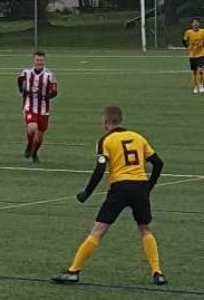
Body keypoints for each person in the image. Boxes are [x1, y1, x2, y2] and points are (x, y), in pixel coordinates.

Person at [52, 106, 166, 286]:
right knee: (145, 229)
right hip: (140, 187)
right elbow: (158, 164)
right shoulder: (138, 137)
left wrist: (87, 193)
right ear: (120, 119)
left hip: (120, 188)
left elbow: (100, 169)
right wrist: (148, 186)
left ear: (105, 121)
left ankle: (73, 271)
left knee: (98, 230)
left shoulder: (105, 140)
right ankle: (157, 272)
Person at [18, 51, 57, 163]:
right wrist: (22, 90)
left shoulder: (49, 75)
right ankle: (30, 145)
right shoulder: (26, 72)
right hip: (29, 106)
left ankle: (34, 153)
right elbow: (19, 80)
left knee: (40, 135)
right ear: (33, 61)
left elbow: (55, 91)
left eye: (41, 60)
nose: (39, 62)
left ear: (44, 61)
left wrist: (47, 96)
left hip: (44, 109)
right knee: (32, 127)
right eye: (37, 60)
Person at [182, 18, 204, 94]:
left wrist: (202, 44)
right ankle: (195, 86)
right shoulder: (188, 32)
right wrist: (188, 46)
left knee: (200, 70)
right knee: (194, 72)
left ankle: (201, 85)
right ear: (191, 24)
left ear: (199, 24)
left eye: (197, 22)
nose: (196, 24)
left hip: (201, 54)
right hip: (192, 55)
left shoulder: (203, 31)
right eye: (194, 23)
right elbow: (184, 41)